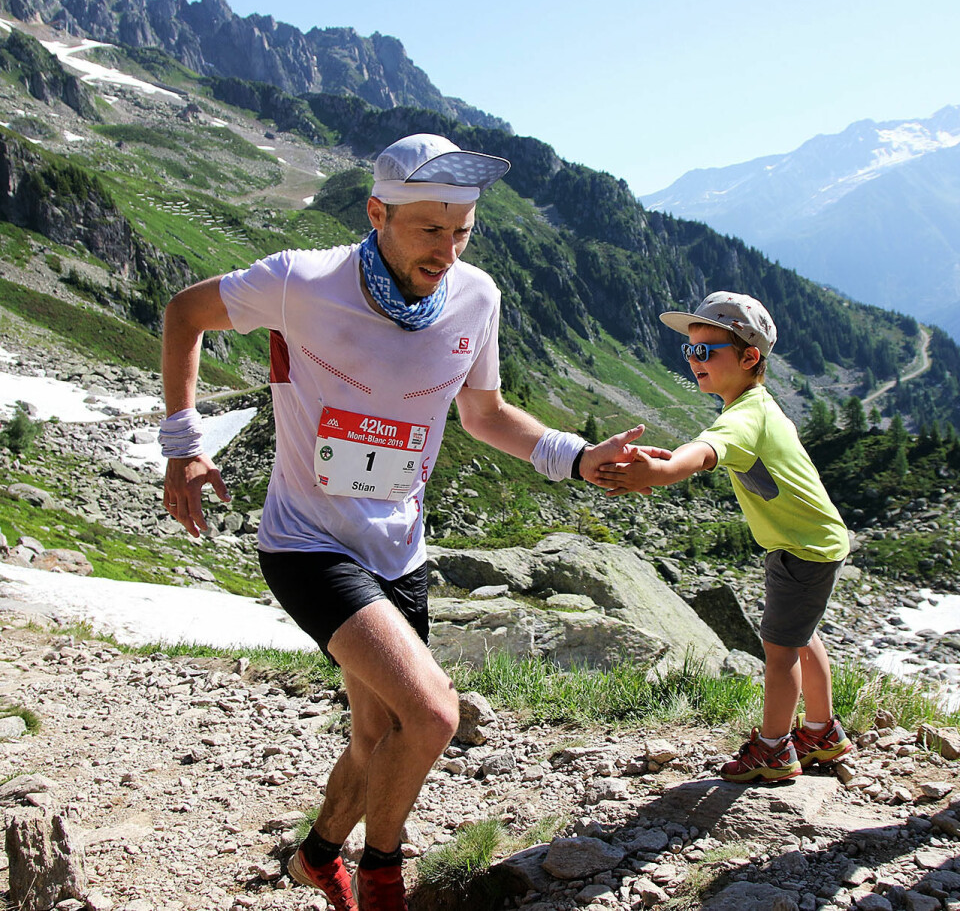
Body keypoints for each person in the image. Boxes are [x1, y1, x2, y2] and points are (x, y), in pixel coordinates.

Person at [159, 133, 660, 910]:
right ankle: (383, 873)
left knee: (379, 735)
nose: (447, 251)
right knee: (431, 715)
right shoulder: (302, 281)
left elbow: (486, 414)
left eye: (462, 231)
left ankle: (318, 854)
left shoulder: (476, 296)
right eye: (429, 229)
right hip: (307, 542)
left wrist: (578, 456)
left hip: (398, 547)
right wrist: (184, 447)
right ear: (377, 212)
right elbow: (184, 311)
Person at [597, 291, 853, 783]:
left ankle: (775, 749)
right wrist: (667, 466)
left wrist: (663, 470)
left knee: (779, 652)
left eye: (705, 350)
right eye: (688, 351)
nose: (694, 361)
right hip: (812, 542)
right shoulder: (756, 404)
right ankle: (821, 732)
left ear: (749, 356)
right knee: (801, 637)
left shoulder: (744, 416)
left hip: (802, 549)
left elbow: (705, 450)